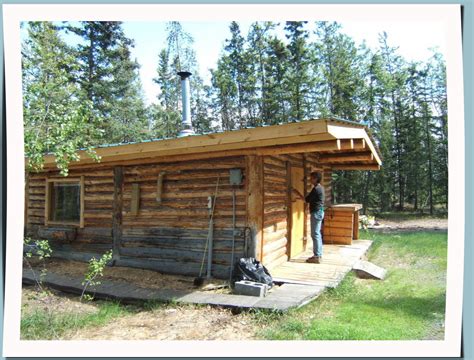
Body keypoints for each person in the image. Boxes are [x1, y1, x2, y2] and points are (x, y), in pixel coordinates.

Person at [292, 171, 325, 264]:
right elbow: (310, 200)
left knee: (315, 234)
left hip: (316, 213)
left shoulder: (316, 189)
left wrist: (296, 192)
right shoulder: (320, 188)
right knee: (317, 234)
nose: (310, 180)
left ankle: (317, 256)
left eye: (311, 178)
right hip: (319, 212)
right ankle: (318, 255)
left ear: (315, 178)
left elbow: (306, 200)